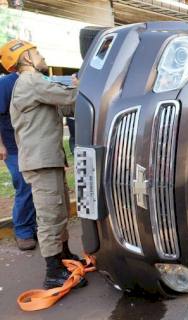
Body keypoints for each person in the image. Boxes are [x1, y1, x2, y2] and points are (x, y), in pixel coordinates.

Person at [0, 39, 87, 289]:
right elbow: (71, 95)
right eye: (36, 52)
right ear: (26, 58)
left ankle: (64, 256)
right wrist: (81, 85)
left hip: (48, 160)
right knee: (49, 215)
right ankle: (53, 272)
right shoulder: (30, 82)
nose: (41, 55)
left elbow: (66, 107)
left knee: (58, 211)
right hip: (40, 162)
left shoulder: (35, 86)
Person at [0, 70, 36, 250]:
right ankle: (23, 231)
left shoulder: (34, 79)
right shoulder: (7, 83)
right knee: (24, 185)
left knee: (37, 186)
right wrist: (1, 145)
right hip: (13, 147)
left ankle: (34, 227)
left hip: (33, 146)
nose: (41, 56)